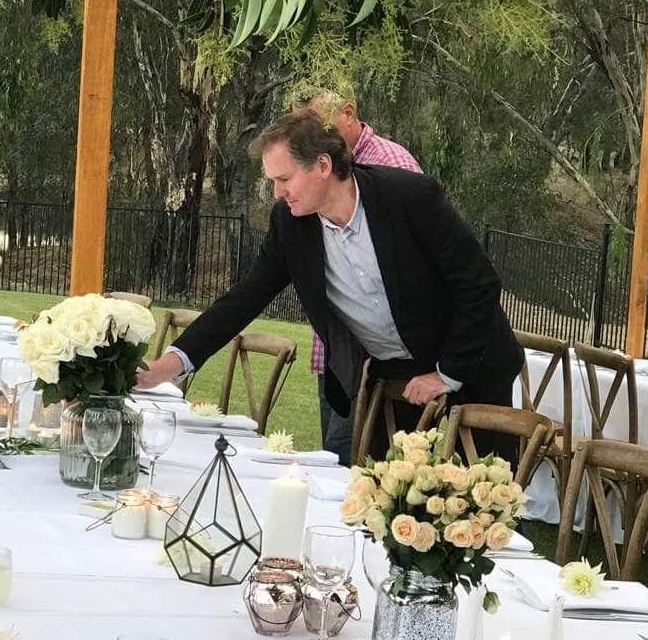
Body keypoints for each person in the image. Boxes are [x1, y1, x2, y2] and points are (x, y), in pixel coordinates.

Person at [136, 107, 521, 462]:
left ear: (322, 165)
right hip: (395, 384)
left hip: (473, 372)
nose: (277, 193)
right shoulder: (291, 225)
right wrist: (171, 364)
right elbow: (244, 298)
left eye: (284, 179)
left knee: (484, 501)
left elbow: (478, 284)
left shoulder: (409, 197)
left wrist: (446, 373)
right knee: (389, 500)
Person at [306, 88, 423, 456]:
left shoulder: (391, 165)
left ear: (348, 112)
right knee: (331, 454)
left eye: (319, 124)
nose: (312, 136)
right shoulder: (313, 170)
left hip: (372, 361)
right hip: (333, 352)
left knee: (347, 455)